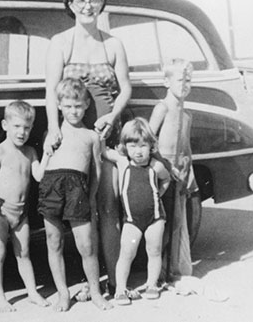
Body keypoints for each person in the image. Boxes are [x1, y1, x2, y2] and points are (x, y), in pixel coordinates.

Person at [44, 0, 132, 296]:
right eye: (80, 0)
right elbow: (51, 91)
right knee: (81, 210)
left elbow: (126, 88)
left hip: (108, 135)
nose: (87, 6)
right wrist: (54, 129)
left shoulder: (113, 44)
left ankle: (113, 281)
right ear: (70, 5)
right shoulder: (61, 42)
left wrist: (111, 115)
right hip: (73, 139)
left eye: (93, 0)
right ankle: (87, 283)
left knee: (108, 207)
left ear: (101, 4)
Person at [38, 78, 113, 312]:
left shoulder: (91, 136)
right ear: (59, 105)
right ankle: (63, 293)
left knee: (86, 245)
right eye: (68, 106)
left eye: (78, 106)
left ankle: (96, 291)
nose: (74, 111)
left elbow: (97, 173)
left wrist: (90, 198)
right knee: (54, 241)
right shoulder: (52, 133)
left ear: (87, 105)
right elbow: (43, 163)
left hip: (78, 186)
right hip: (51, 184)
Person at [0, 100, 51, 312]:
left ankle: (32, 292)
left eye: (27, 128)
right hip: (2, 212)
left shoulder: (30, 152)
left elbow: (38, 175)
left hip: (21, 214)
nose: (22, 132)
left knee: (24, 254)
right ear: (5, 125)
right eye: (17, 127)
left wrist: (47, 153)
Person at [102, 117, 171, 305]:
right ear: (124, 146)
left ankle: (151, 284)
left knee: (154, 250)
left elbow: (166, 179)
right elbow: (103, 150)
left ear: (151, 146)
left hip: (155, 218)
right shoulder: (123, 162)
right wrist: (102, 130)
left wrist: (159, 192)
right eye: (132, 146)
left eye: (143, 146)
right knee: (126, 253)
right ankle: (121, 288)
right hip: (131, 220)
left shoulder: (156, 166)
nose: (138, 151)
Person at [149, 58, 198, 282]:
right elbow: (148, 141)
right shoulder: (163, 108)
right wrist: (163, 168)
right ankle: (158, 272)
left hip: (181, 173)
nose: (184, 84)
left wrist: (190, 174)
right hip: (163, 172)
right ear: (166, 82)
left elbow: (186, 146)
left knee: (178, 223)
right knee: (161, 224)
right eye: (180, 79)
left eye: (188, 80)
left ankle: (173, 269)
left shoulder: (187, 115)